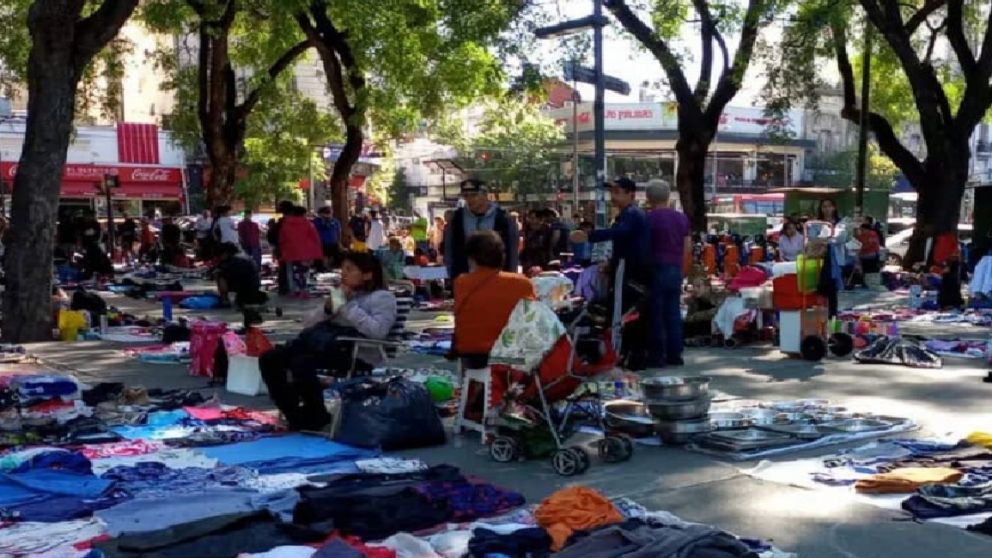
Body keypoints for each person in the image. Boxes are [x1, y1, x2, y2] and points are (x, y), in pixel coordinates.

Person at [259, 252, 397, 430]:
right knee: (270, 358)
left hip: (356, 353)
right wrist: (327, 309)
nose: (343, 274)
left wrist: (346, 306)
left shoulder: (382, 298)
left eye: (350, 269)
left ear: (367, 274)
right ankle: (294, 413)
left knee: (301, 362)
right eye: (342, 269)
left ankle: (316, 413)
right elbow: (308, 324)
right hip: (326, 346)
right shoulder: (344, 294)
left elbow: (378, 331)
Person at [570, 176, 651, 370]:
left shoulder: (632, 214)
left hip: (630, 271)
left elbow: (621, 233)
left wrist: (590, 235)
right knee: (627, 314)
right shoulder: (629, 214)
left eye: (617, 192)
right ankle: (627, 356)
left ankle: (619, 356)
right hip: (628, 269)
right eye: (611, 192)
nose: (612, 196)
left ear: (630, 194)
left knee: (621, 315)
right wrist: (610, 263)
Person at [453, 231, 536, 367]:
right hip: (510, 353)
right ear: (501, 255)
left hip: (470, 351)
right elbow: (531, 320)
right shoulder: (522, 283)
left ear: (471, 258)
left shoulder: (461, 282)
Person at [645, 180, 690, 367]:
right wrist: (681, 267)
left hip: (655, 268)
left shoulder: (648, 218)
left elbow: (644, 246)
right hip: (675, 268)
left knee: (655, 313)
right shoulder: (681, 218)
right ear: (668, 196)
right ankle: (675, 355)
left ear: (648, 198)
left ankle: (657, 356)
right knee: (673, 313)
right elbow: (687, 247)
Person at [445, 179, 519, 284]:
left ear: (485, 195)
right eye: (466, 196)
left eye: (474, 195)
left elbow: (512, 252)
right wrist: (451, 278)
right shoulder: (457, 219)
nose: (470, 199)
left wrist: (511, 277)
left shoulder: (504, 218)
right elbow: (449, 250)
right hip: (465, 279)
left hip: (497, 280)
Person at [814, 198, 850, 318]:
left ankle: (832, 316)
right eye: (824, 206)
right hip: (819, 258)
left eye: (829, 206)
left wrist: (825, 239)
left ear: (834, 207)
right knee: (820, 287)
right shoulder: (816, 223)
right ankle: (822, 315)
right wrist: (829, 239)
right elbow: (812, 239)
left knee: (833, 288)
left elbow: (841, 238)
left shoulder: (841, 222)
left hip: (835, 259)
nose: (827, 209)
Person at [278, 205, 323, 298]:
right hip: (305, 253)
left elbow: (282, 238)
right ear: (304, 214)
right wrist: (316, 251)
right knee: (304, 272)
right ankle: (304, 290)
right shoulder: (308, 224)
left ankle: (293, 290)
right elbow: (315, 238)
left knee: (290, 272)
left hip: (289, 252)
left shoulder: (286, 224)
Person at [215, 242, 267, 308]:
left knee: (219, 275)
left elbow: (224, 274)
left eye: (220, 255)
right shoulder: (244, 256)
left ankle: (225, 300)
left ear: (225, 253)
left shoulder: (232, 261)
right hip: (253, 287)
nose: (220, 257)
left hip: (244, 288)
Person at [520, 209, 551, 273]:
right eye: (529, 218)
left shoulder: (546, 230)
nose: (530, 220)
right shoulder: (526, 230)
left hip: (543, 262)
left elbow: (548, 246)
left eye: (533, 218)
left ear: (540, 220)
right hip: (527, 262)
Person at [312, 206, 342, 270]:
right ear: (321, 214)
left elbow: (339, 232)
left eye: (329, 213)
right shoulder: (316, 221)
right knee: (323, 256)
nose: (328, 215)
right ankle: (324, 268)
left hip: (333, 242)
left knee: (332, 257)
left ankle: (330, 268)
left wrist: (339, 242)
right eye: (326, 213)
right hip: (321, 243)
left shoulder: (335, 221)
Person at [858, 218, 882, 289]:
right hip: (863, 256)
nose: (861, 231)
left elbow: (871, 244)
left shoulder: (872, 234)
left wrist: (861, 248)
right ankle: (866, 282)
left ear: (867, 229)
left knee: (871, 270)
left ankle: (871, 283)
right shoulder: (861, 236)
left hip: (871, 255)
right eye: (861, 230)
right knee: (865, 270)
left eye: (862, 230)